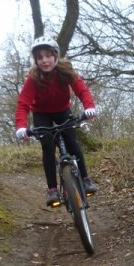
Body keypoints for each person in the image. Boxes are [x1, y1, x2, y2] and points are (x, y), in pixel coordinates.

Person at [15, 36, 98, 206]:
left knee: (72, 143)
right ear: (36, 60)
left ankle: (85, 179)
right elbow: (23, 103)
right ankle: (52, 189)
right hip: (41, 114)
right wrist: (21, 127)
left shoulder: (65, 71)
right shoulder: (33, 78)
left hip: (62, 111)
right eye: (40, 57)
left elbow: (82, 90)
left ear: (56, 56)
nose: (45, 60)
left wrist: (89, 107)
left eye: (48, 55)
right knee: (47, 147)